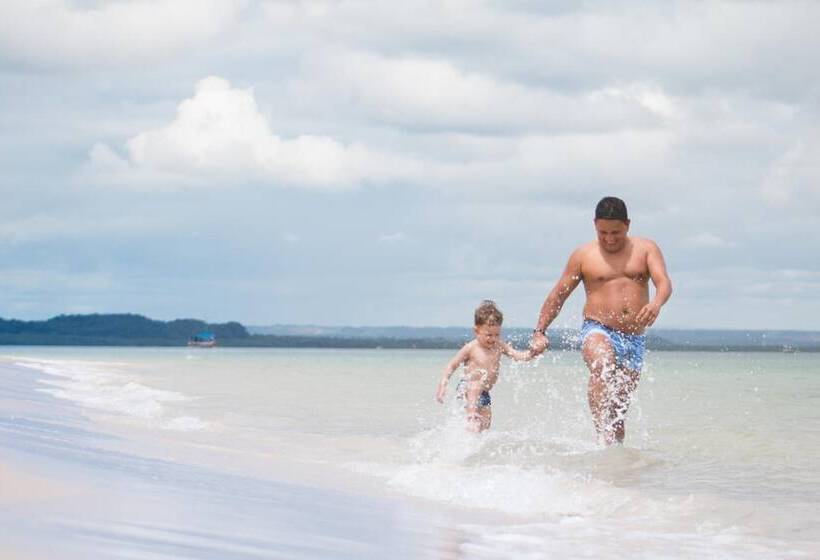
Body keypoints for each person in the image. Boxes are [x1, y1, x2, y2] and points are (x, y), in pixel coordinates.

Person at [531, 197, 672, 445]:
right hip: (597, 328)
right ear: (595, 224)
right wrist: (540, 330)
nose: (609, 239)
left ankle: (615, 467)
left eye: (615, 232)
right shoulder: (584, 255)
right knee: (602, 365)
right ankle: (600, 434)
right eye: (602, 232)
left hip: (634, 339)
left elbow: (664, 283)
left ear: (627, 224)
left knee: (618, 413)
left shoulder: (646, 249)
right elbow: (558, 295)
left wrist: (656, 303)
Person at [436, 300, 545, 432]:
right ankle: (471, 416)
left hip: (485, 393)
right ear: (476, 331)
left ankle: (472, 437)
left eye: (496, 334)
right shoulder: (471, 348)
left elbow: (517, 356)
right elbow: (451, 366)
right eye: (488, 335)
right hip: (468, 389)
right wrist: (443, 385)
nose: (492, 339)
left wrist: (533, 353)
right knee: (476, 382)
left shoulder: (499, 345)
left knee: (485, 427)